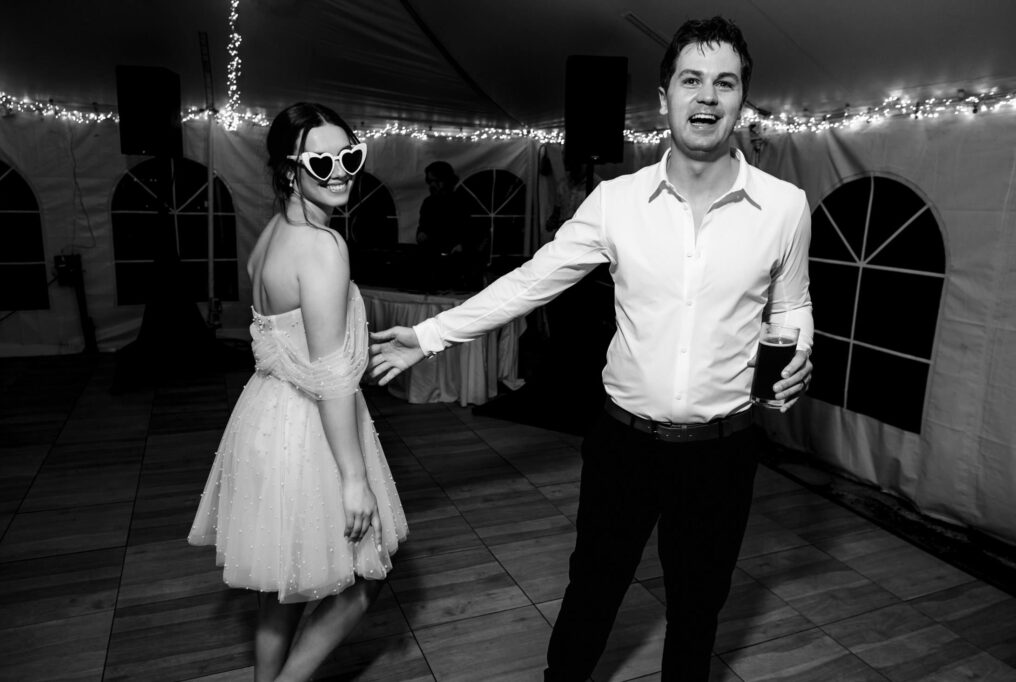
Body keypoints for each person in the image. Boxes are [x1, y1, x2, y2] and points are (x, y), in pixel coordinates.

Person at [370, 16, 812, 681]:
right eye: (692, 80)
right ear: (665, 94)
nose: (708, 97)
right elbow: (530, 283)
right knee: (594, 590)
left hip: (724, 450)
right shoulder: (617, 202)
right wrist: (430, 334)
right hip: (624, 445)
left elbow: (793, 306)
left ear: (742, 100)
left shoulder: (784, 207)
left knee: (698, 608)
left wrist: (800, 352)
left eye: (726, 83)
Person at [188, 102, 408, 682]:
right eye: (322, 159)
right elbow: (334, 376)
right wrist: (355, 480)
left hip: (263, 419)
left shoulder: (269, 238)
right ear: (290, 169)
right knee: (369, 577)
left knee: (280, 586)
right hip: (310, 427)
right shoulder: (322, 247)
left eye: (350, 157)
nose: (340, 171)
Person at [415, 160, 487, 289]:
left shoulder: (462, 201)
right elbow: (422, 227)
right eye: (430, 182)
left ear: (447, 181)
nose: (433, 185)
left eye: (437, 181)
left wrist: (462, 246)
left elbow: (475, 232)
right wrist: (421, 234)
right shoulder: (429, 203)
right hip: (432, 260)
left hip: (458, 263)